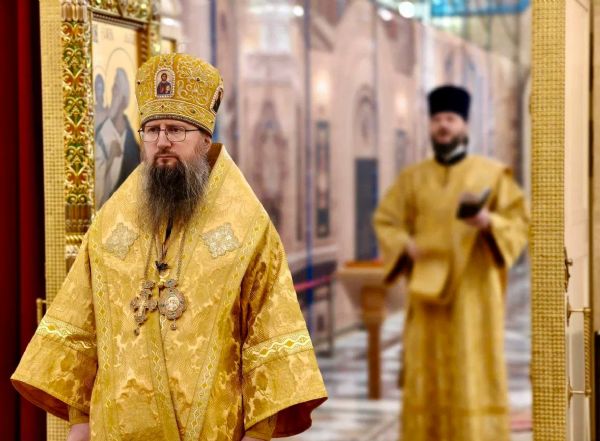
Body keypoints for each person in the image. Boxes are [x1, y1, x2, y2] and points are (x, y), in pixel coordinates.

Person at [12, 53, 327, 441]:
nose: (162, 141)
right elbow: (83, 330)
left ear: (205, 140)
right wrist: (80, 424)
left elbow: (268, 340)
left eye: (176, 130)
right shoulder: (111, 224)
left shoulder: (247, 228)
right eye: (152, 130)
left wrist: (258, 435)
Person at [373, 85, 529, 441]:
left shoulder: (492, 175)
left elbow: (519, 223)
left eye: (451, 119)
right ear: (430, 125)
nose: (443, 126)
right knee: (426, 375)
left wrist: (488, 223)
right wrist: (405, 245)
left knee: (472, 373)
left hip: (474, 298)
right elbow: (386, 221)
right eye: (438, 119)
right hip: (426, 298)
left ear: (464, 125)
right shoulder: (412, 178)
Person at [94, 67, 140, 208]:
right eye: (113, 86)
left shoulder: (132, 143)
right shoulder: (102, 133)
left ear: (124, 100)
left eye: (117, 87)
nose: (113, 91)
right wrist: (111, 158)